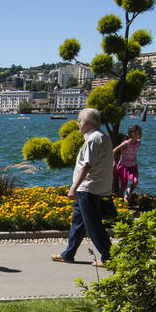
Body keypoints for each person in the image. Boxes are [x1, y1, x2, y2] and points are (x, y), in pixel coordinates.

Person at [51, 107, 113, 268]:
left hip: (88, 189)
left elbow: (87, 166)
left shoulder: (93, 139)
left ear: (88, 122)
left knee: (93, 225)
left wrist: (73, 187)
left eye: (80, 120)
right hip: (92, 188)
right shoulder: (102, 136)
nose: (77, 123)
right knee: (78, 222)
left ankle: (109, 257)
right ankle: (68, 254)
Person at [112, 123, 142, 201]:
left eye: (138, 132)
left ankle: (129, 191)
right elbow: (114, 150)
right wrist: (114, 162)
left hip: (133, 166)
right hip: (123, 166)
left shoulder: (138, 143)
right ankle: (121, 202)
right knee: (123, 186)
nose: (136, 134)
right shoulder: (126, 143)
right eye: (134, 132)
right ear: (130, 133)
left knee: (135, 181)